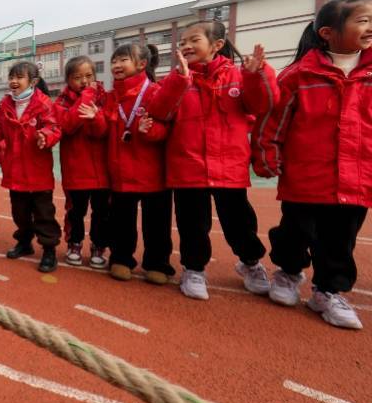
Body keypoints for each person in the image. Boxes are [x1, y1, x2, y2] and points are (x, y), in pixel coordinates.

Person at [254, 0, 372, 329]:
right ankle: (288, 272)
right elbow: (272, 121)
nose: (370, 27)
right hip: (305, 174)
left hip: (356, 176)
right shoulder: (298, 75)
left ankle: (328, 291)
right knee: (295, 229)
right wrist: (267, 155)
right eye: (362, 20)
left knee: (341, 238)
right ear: (327, 32)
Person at [148, 20, 279, 300]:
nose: (186, 46)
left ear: (217, 45)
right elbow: (159, 111)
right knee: (193, 223)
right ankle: (194, 269)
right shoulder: (175, 78)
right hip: (187, 167)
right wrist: (179, 81)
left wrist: (256, 76)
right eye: (182, 42)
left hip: (229, 167)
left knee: (239, 221)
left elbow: (262, 105)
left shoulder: (238, 76)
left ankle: (251, 263)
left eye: (194, 40)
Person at [0, 61, 62, 272]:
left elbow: (53, 127)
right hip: (15, 171)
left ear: (33, 81)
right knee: (20, 213)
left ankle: (49, 250)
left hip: (38, 173)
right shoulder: (5, 104)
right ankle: (24, 243)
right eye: (11, 77)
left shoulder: (43, 104)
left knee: (44, 214)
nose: (13, 81)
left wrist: (45, 136)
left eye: (19, 77)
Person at [105, 43, 175, 284]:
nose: (116, 65)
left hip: (152, 171)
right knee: (121, 220)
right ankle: (121, 259)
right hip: (120, 169)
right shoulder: (110, 96)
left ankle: (157, 263)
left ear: (142, 64)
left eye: (123, 59)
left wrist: (150, 130)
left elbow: (167, 128)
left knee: (156, 222)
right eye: (114, 61)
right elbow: (104, 128)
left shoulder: (155, 92)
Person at [53, 55, 110, 269]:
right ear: (68, 80)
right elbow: (67, 125)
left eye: (89, 76)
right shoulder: (61, 102)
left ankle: (98, 245)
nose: (84, 81)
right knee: (76, 211)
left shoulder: (105, 98)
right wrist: (87, 96)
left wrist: (96, 118)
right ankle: (74, 243)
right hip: (76, 170)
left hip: (103, 172)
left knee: (102, 212)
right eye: (78, 77)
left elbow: (103, 132)